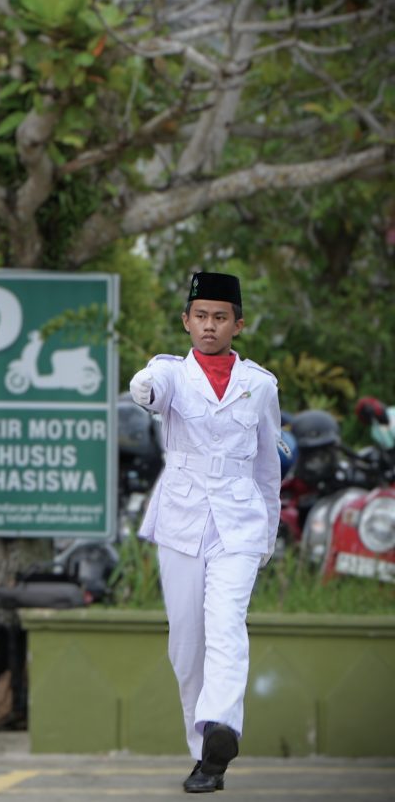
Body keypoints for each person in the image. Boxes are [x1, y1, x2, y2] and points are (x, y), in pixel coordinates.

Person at [128, 272, 281, 794]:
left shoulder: (260, 385)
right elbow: (151, 390)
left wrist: (268, 534)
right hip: (182, 520)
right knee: (186, 643)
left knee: (226, 622)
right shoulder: (169, 373)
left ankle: (222, 727)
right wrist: (142, 389)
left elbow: (267, 468)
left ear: (238, 324)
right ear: (186, 321)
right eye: (201, 317)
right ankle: (204, 757)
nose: (210, 326)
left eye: (220, 318)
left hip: (239, 523)